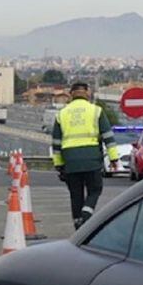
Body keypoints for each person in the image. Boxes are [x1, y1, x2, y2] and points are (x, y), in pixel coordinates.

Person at [52, 82, 119, 229]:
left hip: (70, 160)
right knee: (95, 190)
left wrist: (58, 164)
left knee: (75, 194)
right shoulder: (96, 111)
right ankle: (86, 214)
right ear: (87, 93)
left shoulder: (62, 114)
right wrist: (114, 159)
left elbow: (56, 143)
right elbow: (108, 136)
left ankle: (78, 225)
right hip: (92, 159)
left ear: (71, 94)